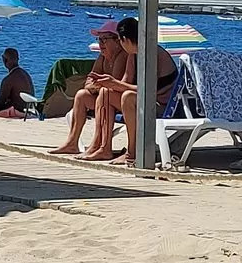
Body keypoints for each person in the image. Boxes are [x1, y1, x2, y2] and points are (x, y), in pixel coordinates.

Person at [81, 15, 177, 162]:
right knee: (106, 92)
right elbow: (125, 82)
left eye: (120, 40)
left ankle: (132, 153)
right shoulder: (134, 55)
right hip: (147, 100)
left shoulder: (153, 54)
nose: (120, 44)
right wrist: (108, 83)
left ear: (125, 39)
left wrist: (115, 83)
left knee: (127, 96)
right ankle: (102, 147)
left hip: (162, 105)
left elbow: (148, 90)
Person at [51, 28, 130, 155]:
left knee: (105, 93)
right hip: (105, 97)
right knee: (81, 95)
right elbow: (88, 81)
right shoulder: (102, 58)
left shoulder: (122, 56)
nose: (101, 43)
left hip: (120, 101)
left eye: (105, 39)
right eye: (99, 39)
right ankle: (72, 143)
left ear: (117, 41)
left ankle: (100, 145)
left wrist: (98, 85)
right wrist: (98, 85)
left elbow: (114, 85)